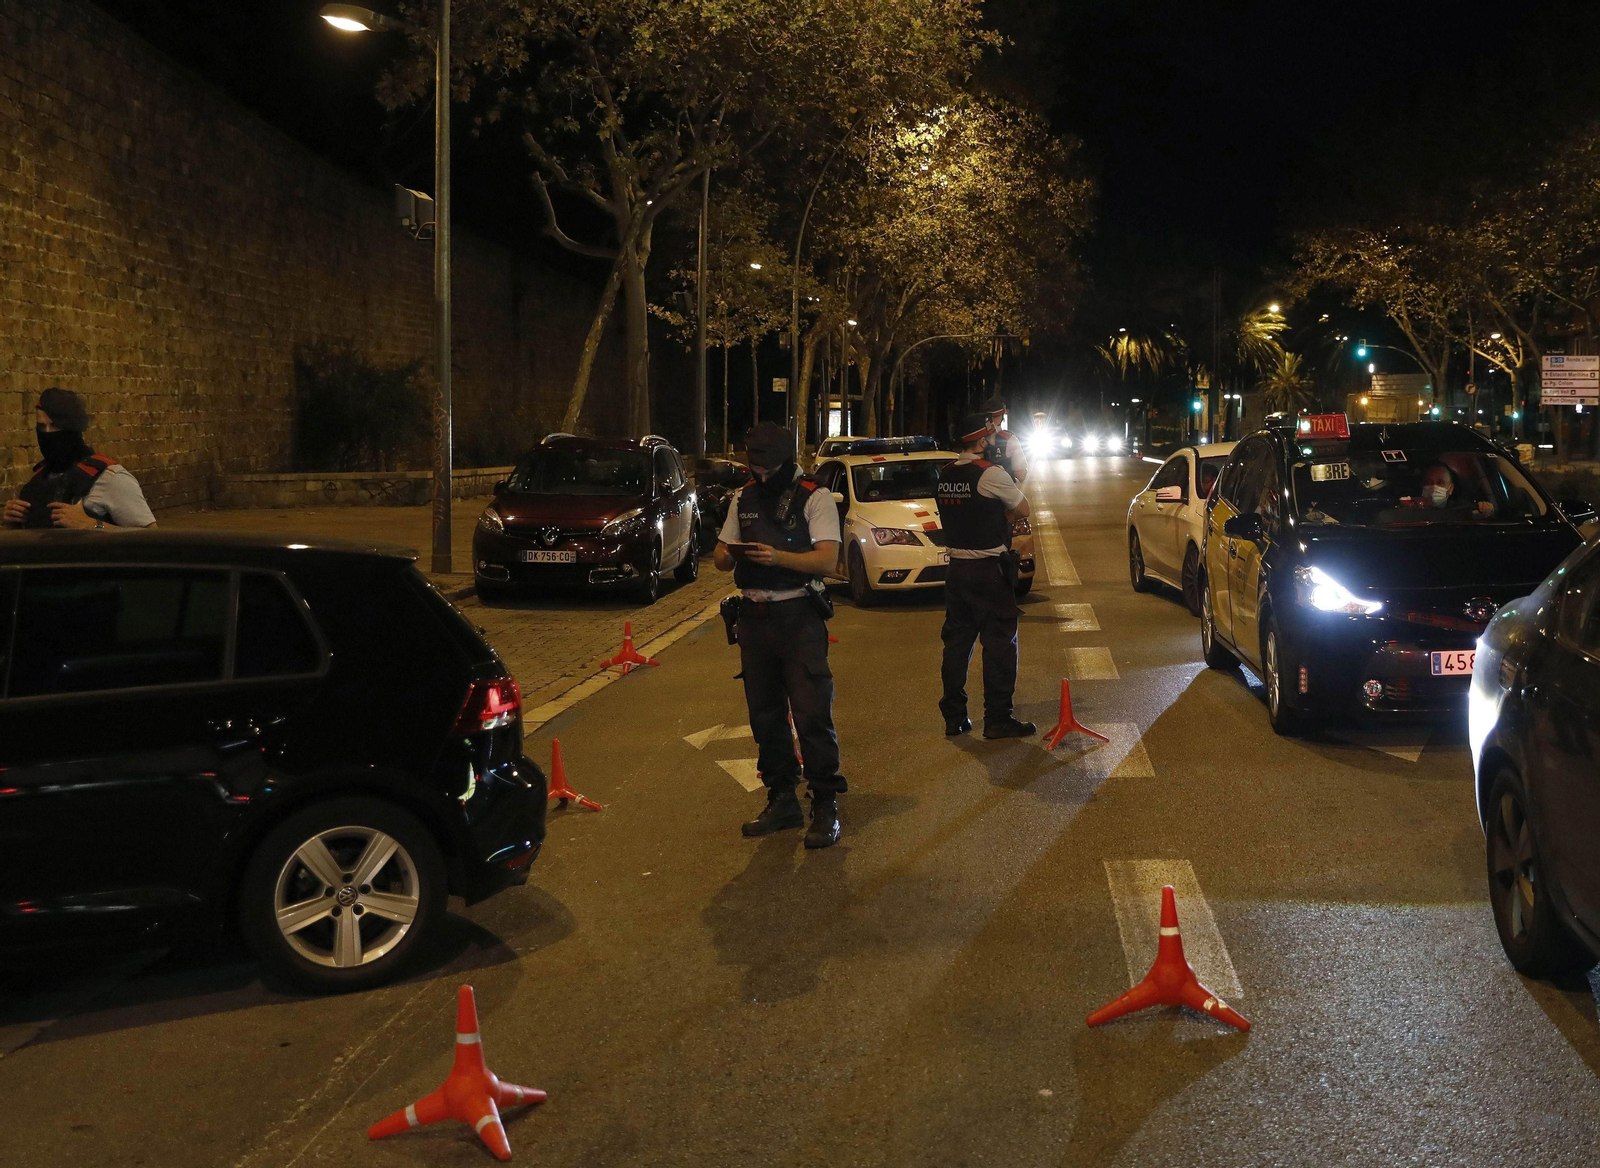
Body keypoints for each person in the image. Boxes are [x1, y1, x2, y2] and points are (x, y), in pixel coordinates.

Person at [713, 422, 847, 848]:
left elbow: (827, 561)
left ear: (786, 459)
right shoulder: (744, 497)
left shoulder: (815, 496)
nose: (762, 474)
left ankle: (824, 803)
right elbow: (720, 555)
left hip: (798, 615)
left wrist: (778, 557)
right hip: (754, 618)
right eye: (756, 467)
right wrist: (730, 556)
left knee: (811, 712)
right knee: (765, 715)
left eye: (769, 468)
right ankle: (782, 798)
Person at [936, 411, 1035, 739]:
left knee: (956, 645)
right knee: (1000, 645)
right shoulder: (990, 473)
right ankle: (997, 719)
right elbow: (1023, 509)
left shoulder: (945, 473)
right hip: (989, 571)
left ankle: (954, 717)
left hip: (956, 571)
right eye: (990, 433)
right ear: (981, 440)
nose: (994, 437)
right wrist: (1003, 515)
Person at [2, 388, 156, 530]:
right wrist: (12, 524)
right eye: (42, 427)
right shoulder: (39, 480)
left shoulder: (111, 478)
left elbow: (150, 538)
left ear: (73, 427)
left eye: (56, 426)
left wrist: (92, 525)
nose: (48, 433)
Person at [981, 395, 1029, 483]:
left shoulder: (977, 439)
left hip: (980, 489)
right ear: (1002, 416)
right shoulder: (1010, 439)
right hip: (1004, 488)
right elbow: (1021, 475)